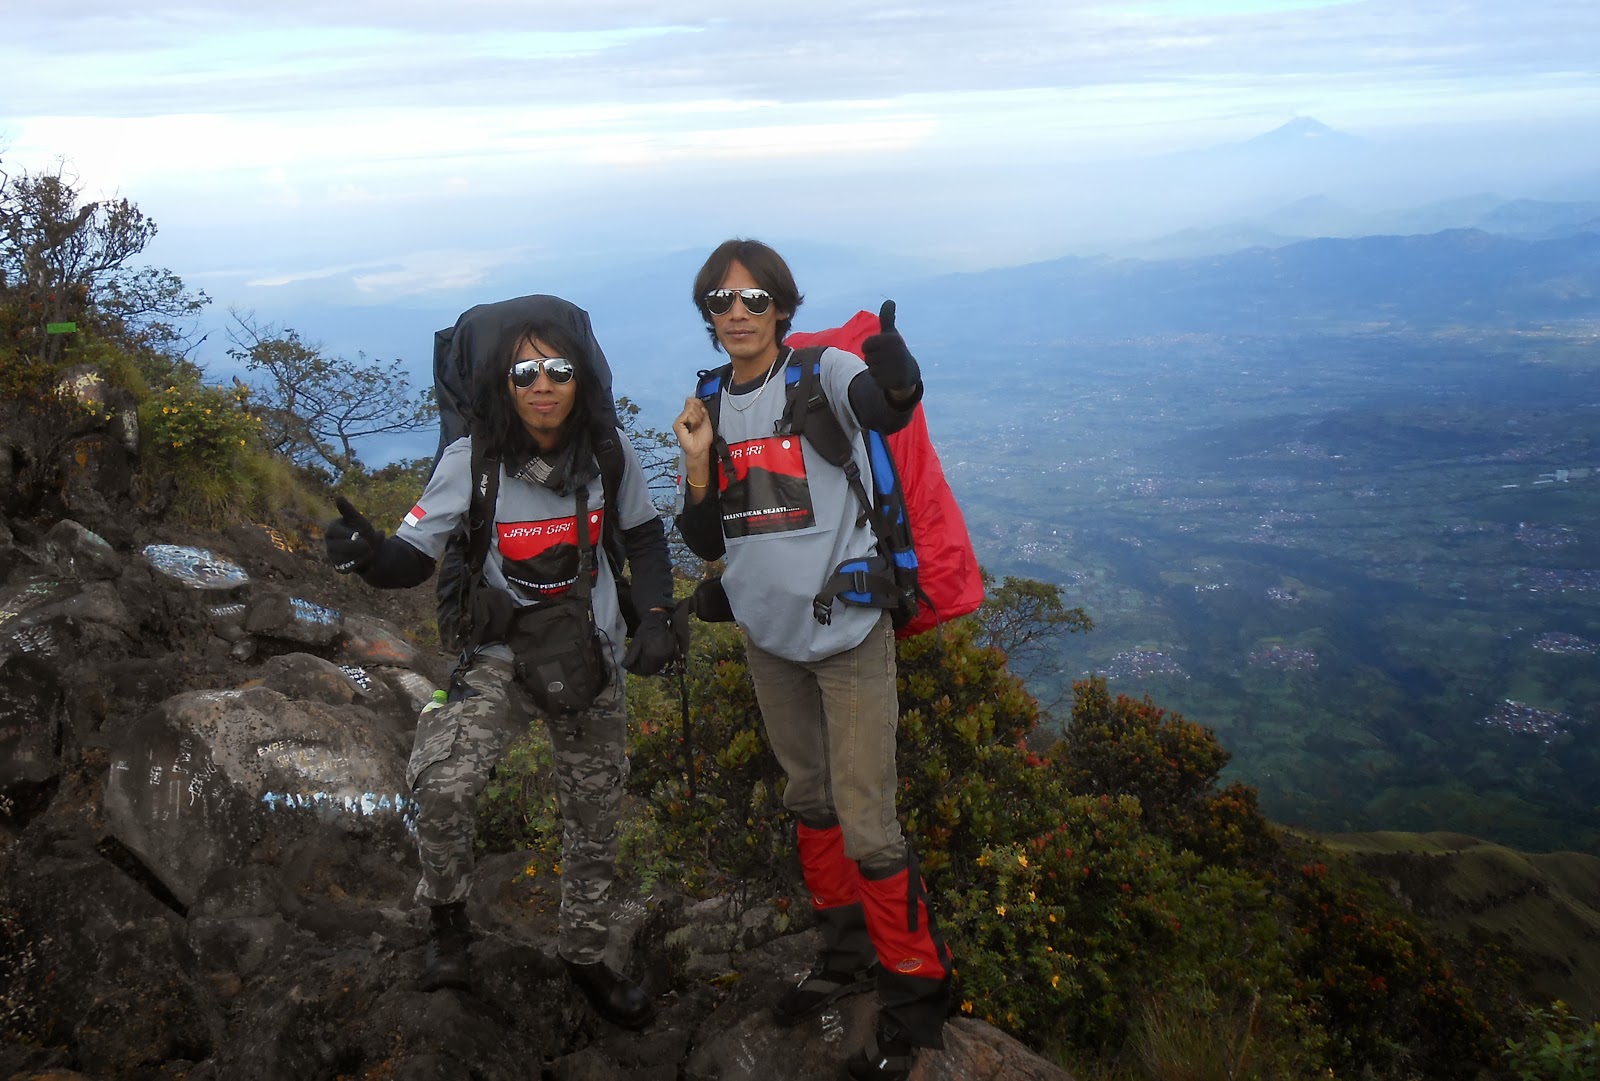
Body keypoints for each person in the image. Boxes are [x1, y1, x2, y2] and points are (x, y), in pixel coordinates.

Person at [324, 313, 678, 1029]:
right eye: (525, 372)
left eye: (559, 370)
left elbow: (642, 537)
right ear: (503, 384)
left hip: (590, 653)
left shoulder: (608, 453)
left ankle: (585, 955)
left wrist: (657, 616)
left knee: (594, 814)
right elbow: (411, 558)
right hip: (501, 655)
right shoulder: (474, 460)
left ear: (581, 379)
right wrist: (365, 555)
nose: (543, 385)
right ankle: (447, 922)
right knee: (443, 783)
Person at [671, 239, 951, 1080]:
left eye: (754, 299)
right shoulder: (708, 399)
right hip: (769, 640)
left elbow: (882, 406)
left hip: (846, 635)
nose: (737, 313)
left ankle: (915, 998)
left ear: (782, 308)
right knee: (810, 798)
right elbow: (705, 537)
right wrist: (696, 461)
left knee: (868, 819)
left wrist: (899, 382)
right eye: (721, 300)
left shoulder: (822, 372)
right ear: (708, 314)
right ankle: (843, 954)